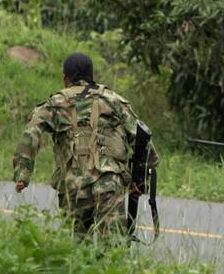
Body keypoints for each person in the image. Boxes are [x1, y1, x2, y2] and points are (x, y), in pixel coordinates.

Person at [13, 53, 157, 242]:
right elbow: (141, 136)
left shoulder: (56, 104)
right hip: (109, 186)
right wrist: (142, 179)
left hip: (73, 187)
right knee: (113, 251)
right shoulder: (114, 101)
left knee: (76, 252)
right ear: (91, 75)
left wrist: (23, 173)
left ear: (66, 78)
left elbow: (31, 133)